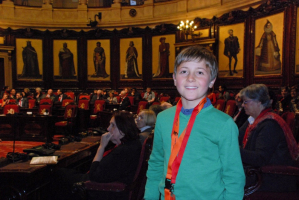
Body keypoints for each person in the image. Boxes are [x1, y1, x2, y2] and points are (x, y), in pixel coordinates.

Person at [144, 46, 245, 200]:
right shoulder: (163, 118)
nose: (190, 78)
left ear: (212, 81)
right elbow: (156, 162)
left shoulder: (224, 124)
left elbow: (234, 177)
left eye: (199, 72)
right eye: (184, 71)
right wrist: (149, 197)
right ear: (174, 78)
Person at [51, 111, 142, 200]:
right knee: (66, 172)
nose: (108, 129)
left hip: (101, 190)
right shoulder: (132, 144)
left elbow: (93, 176)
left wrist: (101, 147)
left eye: (112, 125)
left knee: (58, 173)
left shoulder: (123, 151)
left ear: (123, 129)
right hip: (109, 184)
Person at [238, 84, 298, 192]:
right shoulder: (254, 119)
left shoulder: (270, 124)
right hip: (257, 172)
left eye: (245, 101)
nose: (242, 105)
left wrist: (233, 150)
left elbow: (260, 158)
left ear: (259, 102)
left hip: (270, 178)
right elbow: (237, 137)